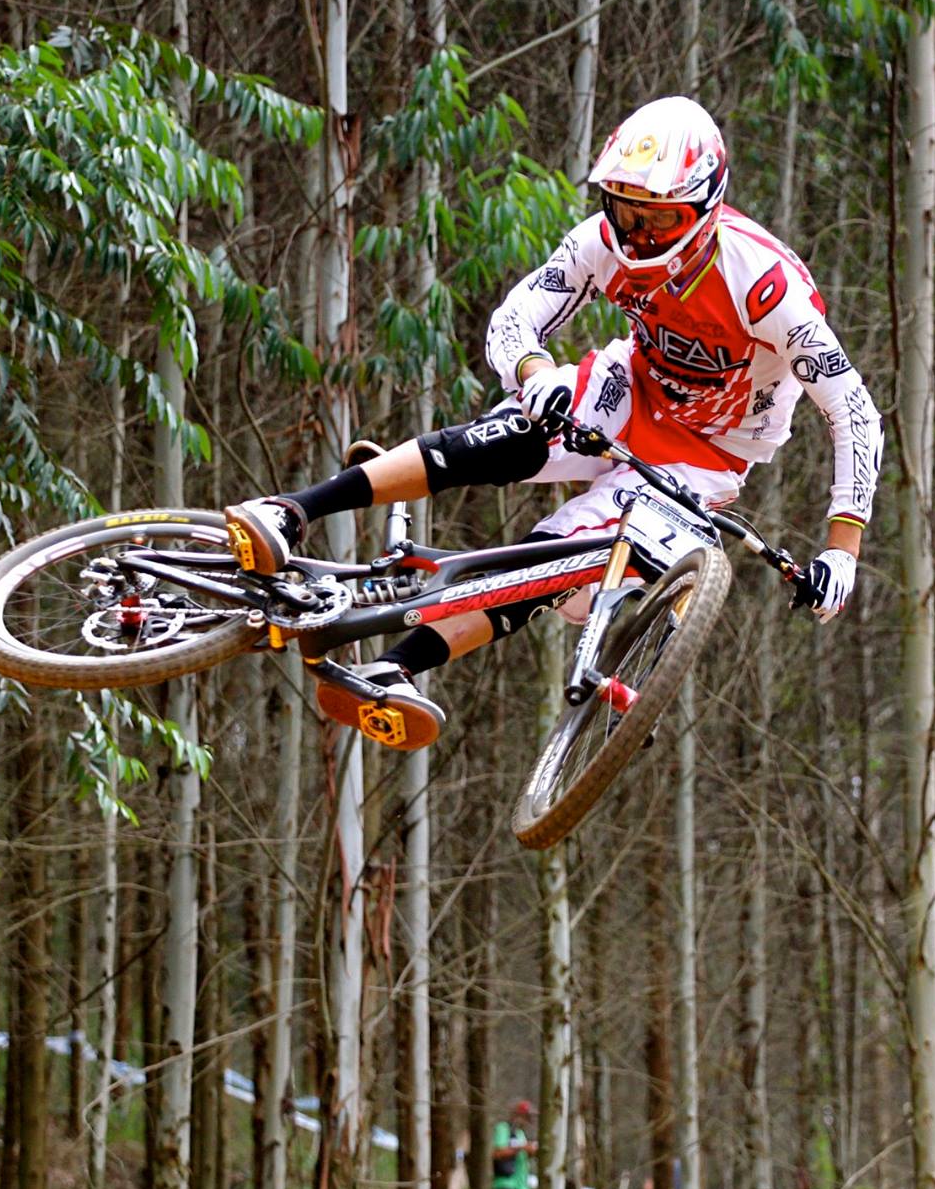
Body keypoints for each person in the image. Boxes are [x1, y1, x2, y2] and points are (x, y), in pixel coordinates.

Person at [226, 96, 884, 748]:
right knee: (513, 432)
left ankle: (392, 668)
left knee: (554, 563)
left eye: (656, 219)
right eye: (624, 211)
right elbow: (515, 318)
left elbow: (853, 411)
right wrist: (536, 372)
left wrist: (840, 549)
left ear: (705, 208)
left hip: (704, 456)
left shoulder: (765, 286)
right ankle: (291, 510)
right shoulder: (603, 242)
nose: (635, 234)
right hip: (631, 389)